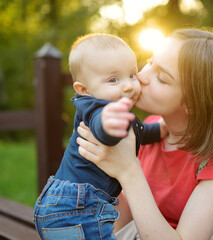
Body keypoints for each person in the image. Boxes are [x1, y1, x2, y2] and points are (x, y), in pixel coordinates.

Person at [76, 28, 213, 240]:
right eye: (150, 61)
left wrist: (128, 170)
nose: (140, 76)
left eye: (161, 77)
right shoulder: (149, 131)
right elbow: (123, 213)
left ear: (194, 104)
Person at [33, 33, 166, 240]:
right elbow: (100, 128)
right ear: (84, 89)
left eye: (132, 74)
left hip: (64, 205)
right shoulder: (96, 108)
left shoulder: (117, 111)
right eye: (113, 80)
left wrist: (161, 129)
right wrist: (109, 124)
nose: (128, 85)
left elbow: (140, 133)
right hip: (78, 207)